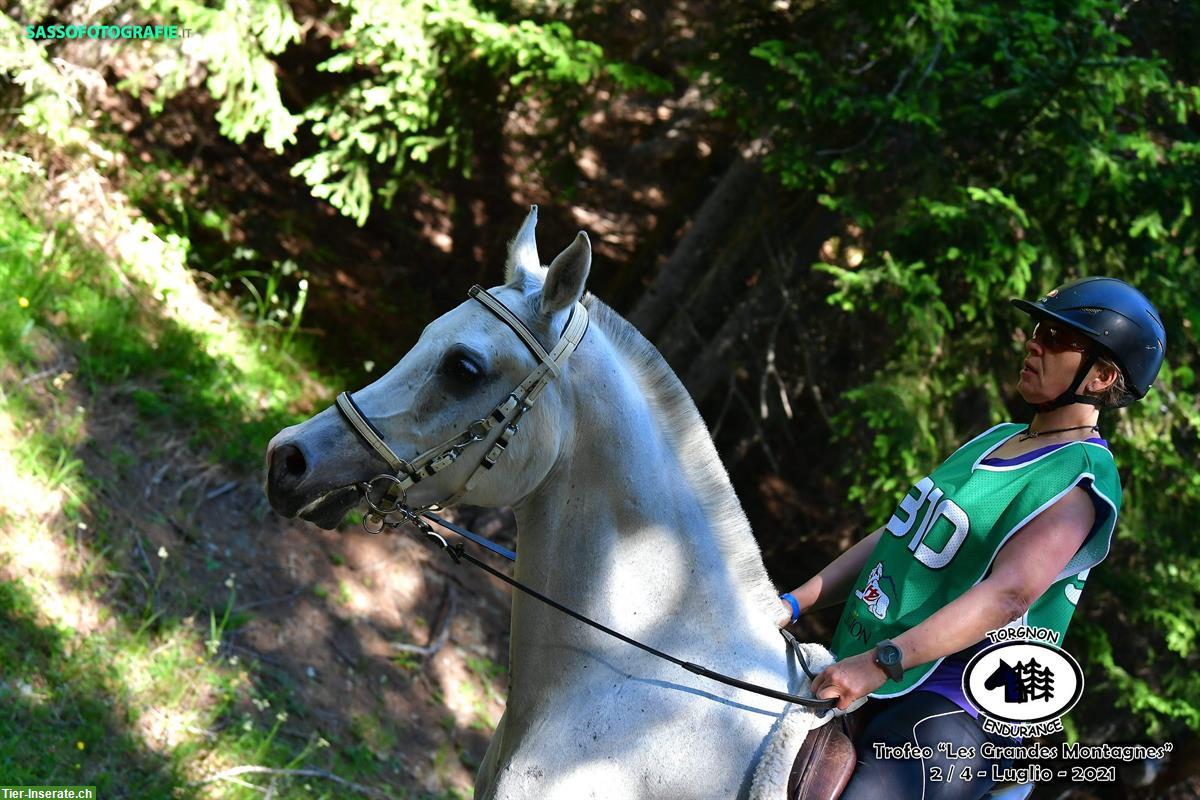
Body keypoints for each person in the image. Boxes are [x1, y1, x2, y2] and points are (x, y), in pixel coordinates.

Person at [776, 277, 1167, 800]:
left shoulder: (1080, 478)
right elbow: (899, 533)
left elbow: (1009, 595)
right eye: (1038, 329)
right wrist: (790, 604)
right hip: (888, 662)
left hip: (964, 705)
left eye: (1057, 337)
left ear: (1101, 376)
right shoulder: (996, 438)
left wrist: (877, 664)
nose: (1034, 342)